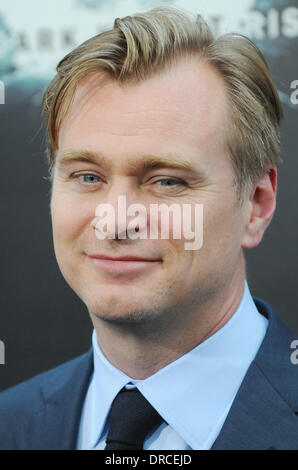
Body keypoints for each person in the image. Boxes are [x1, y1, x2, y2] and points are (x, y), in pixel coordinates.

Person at [0, 6, 297, 450]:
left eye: (166, 181)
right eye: (88, 177)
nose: (116, 221)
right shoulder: (10, 424)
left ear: (255, 206)